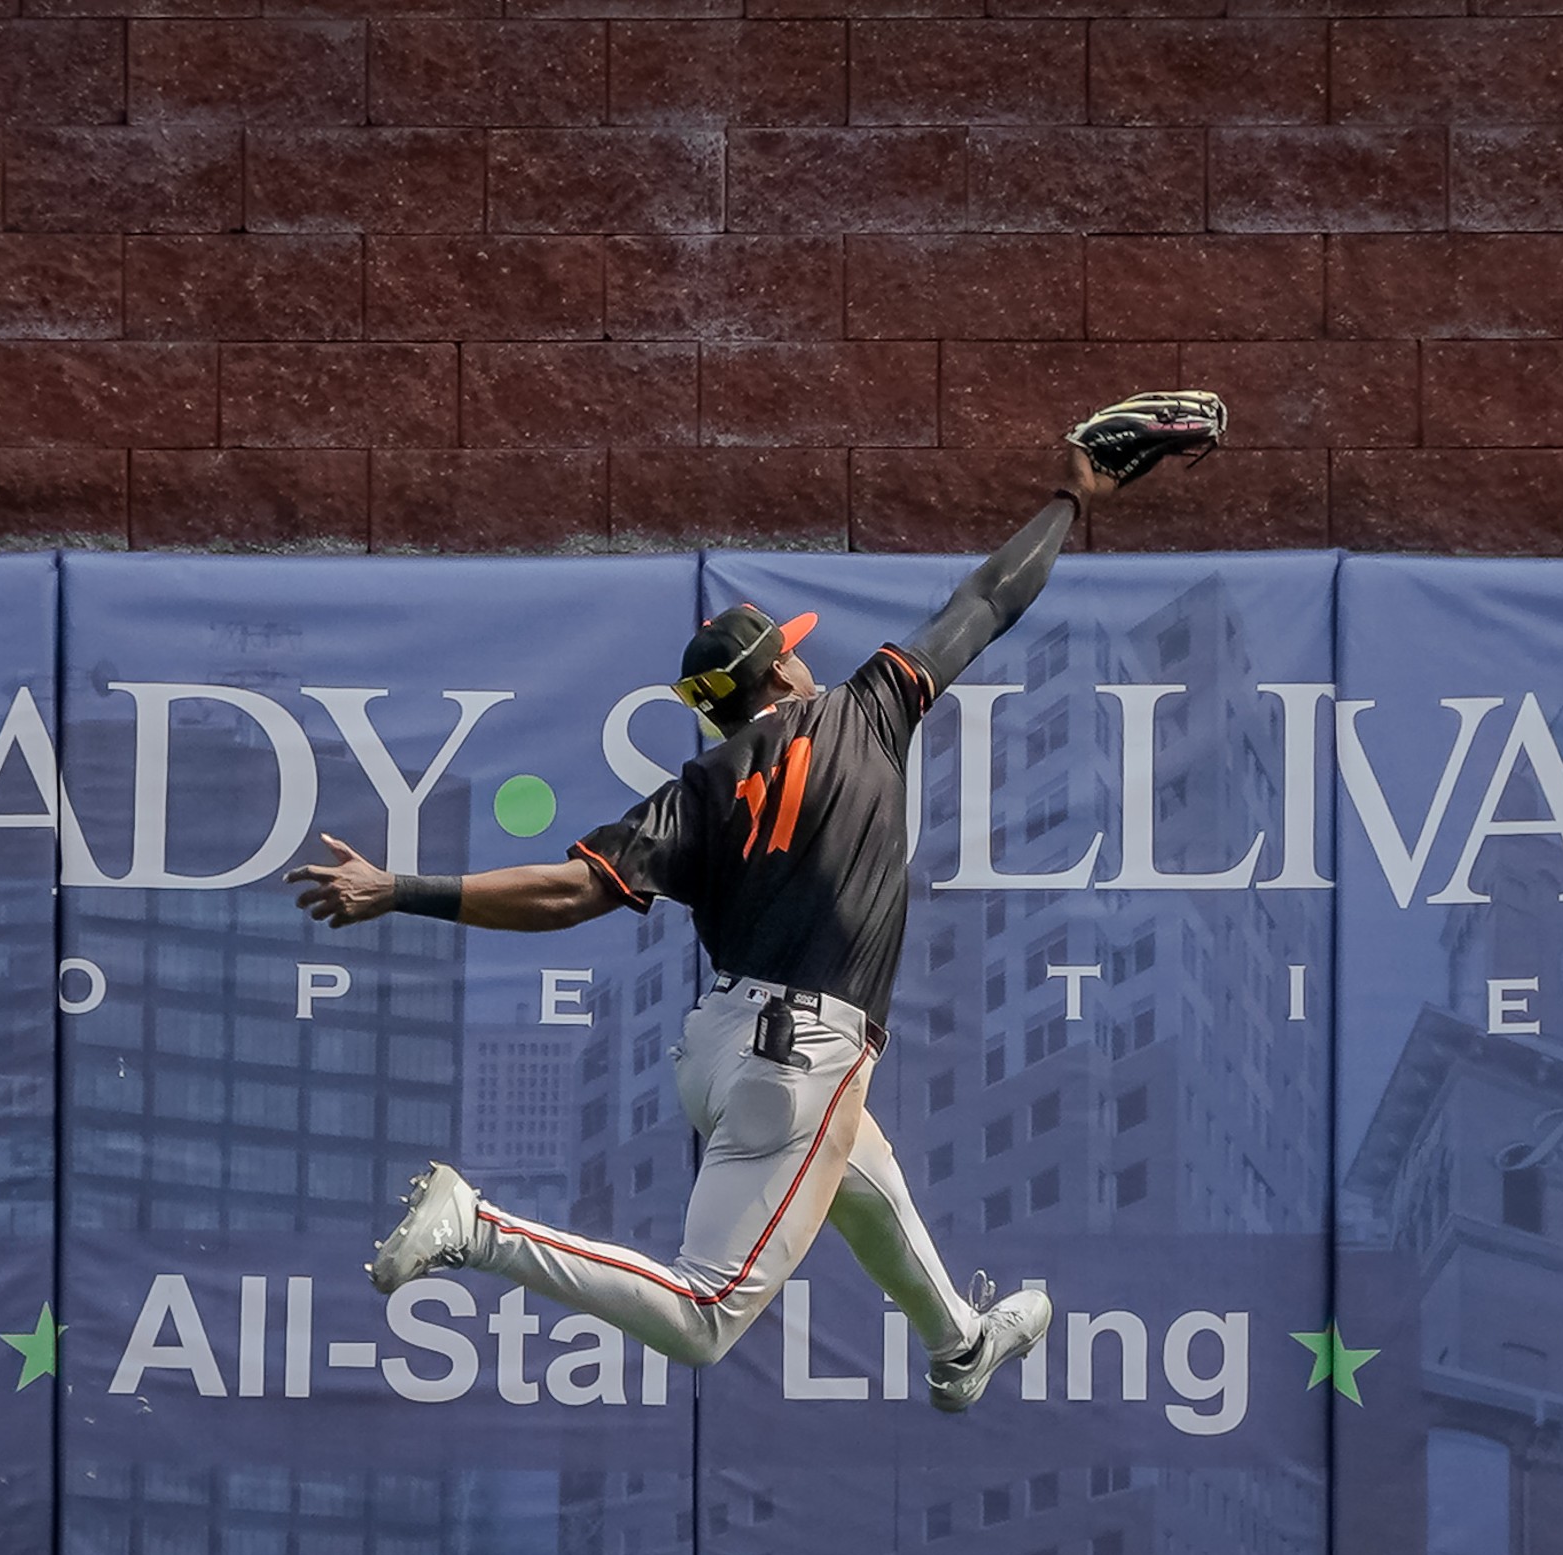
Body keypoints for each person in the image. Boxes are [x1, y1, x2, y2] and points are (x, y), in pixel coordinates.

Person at [290, 397, 1224, 1411]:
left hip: (724, 1051)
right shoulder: (867, 709)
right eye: (793, 645)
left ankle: (959, 1342)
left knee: (863, 1184)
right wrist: (1072, 497)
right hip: (800, 1051)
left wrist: (401, 890)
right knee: (703, 1318)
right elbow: (990, 600)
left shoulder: (697, 790)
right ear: (782, 665)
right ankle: (482, 1230)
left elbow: (567, 894)